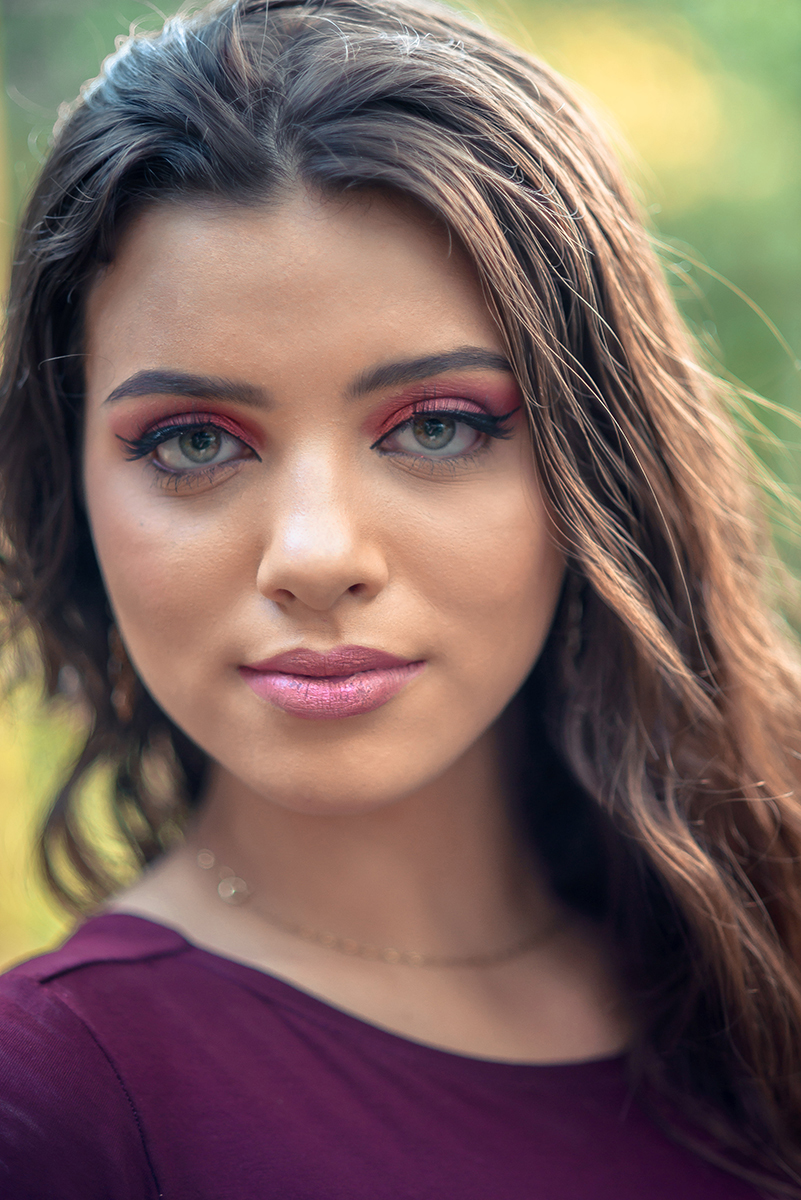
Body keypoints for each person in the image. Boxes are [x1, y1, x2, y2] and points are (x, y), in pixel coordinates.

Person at [0, 0, 798, 1194]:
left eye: (436, 426)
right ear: (69, 484)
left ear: (603, 465)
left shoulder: (762, 974)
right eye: (194, 442)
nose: (315, 555)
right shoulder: (56, 1104)